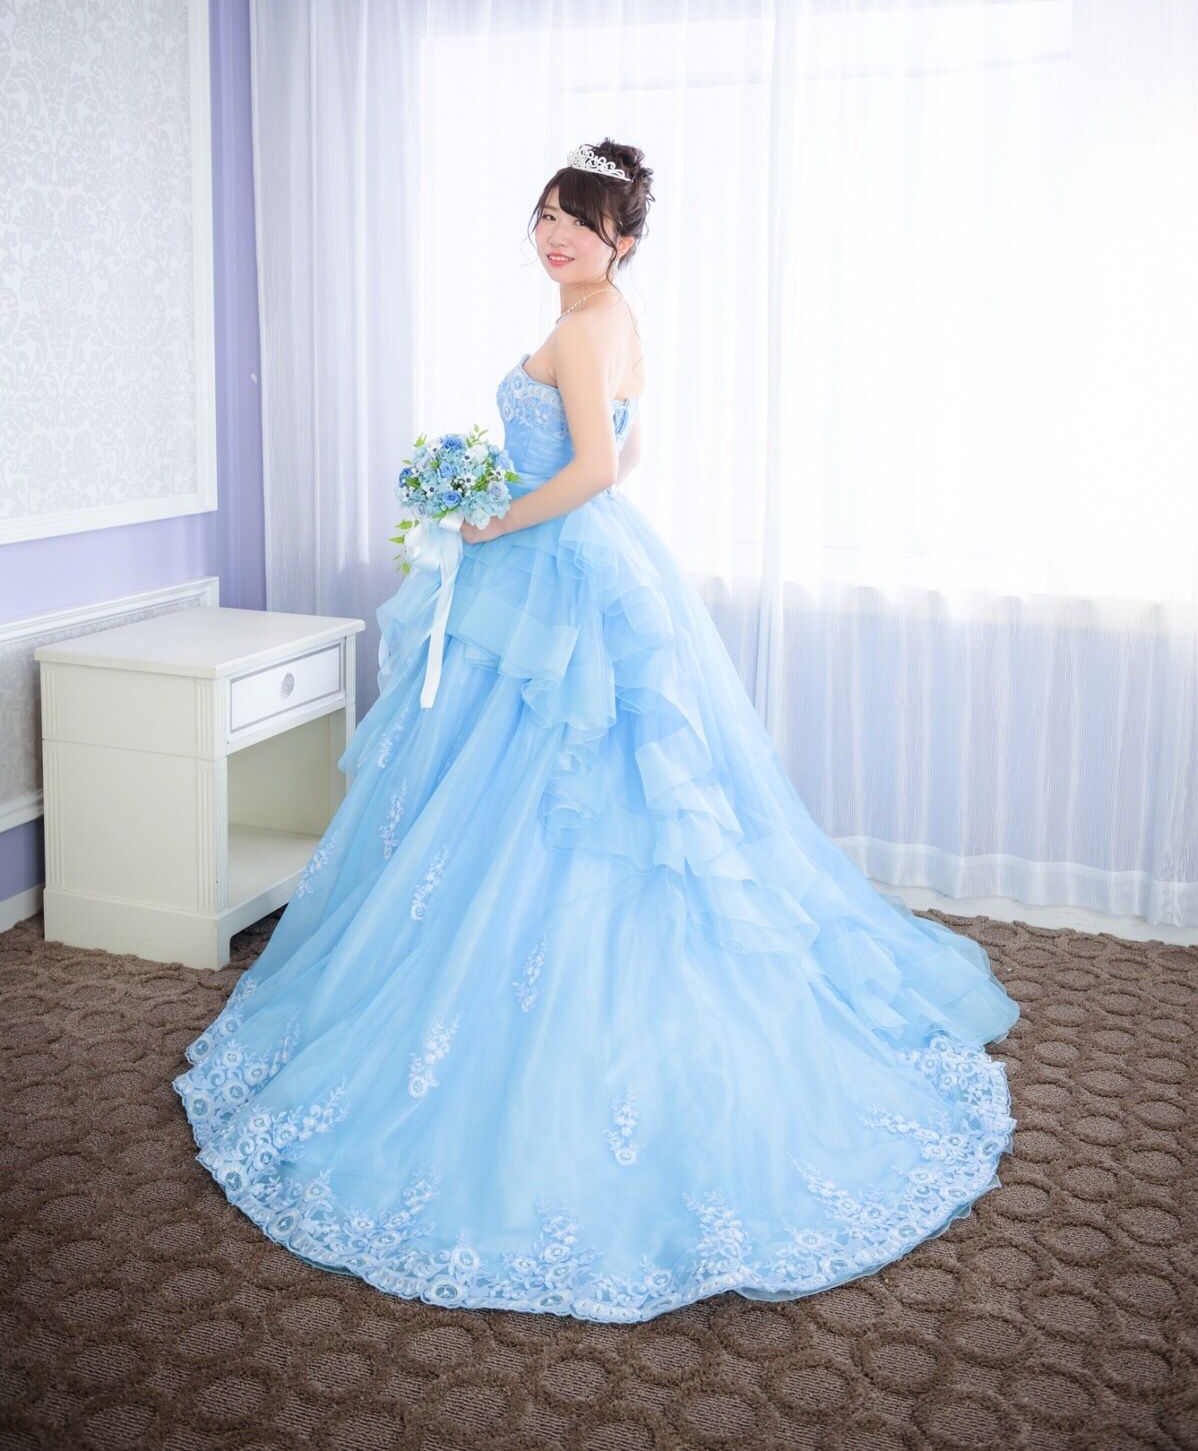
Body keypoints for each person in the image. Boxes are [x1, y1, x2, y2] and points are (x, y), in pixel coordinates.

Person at [173, 139, 1020, 1325]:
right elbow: (631, 442)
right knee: (578, 781)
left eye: (578, 221)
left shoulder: (581, 327)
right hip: (587, 567)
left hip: (551, 562)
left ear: (622, 237)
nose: (555, 236)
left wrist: (490, 519)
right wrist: (506, 495)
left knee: (542, 773)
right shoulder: (611, 318)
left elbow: (594, 473)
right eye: (545, 216)